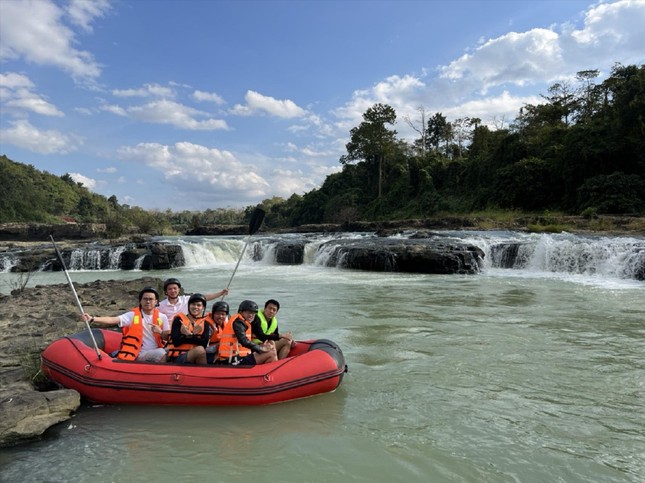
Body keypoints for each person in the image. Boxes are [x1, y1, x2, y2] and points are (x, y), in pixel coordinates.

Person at [82, 287, 169, 362]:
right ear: (140, 301)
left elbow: (167, 337)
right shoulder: (132, 315)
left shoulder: (162, 317)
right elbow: (114, 319)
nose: (148, 302)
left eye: (151, 299)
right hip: (140, 353)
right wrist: (93, 319)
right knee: (162, 353)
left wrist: (160, 332)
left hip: (157, 349)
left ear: (156, 301)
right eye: (145, 299)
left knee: (170, 350)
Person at [216, 300, 277, 366]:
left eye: (253, 313)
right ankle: (272, 373)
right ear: (241, 312)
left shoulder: (244, 322)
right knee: (271, 354)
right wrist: (260, 348)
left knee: (271, 350)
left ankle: (266, 374)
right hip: (231, 360)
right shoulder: (238, 323)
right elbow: (243, 341)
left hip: (239, 357)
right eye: (248, 312)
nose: (251, 315)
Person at [158, 277, 229, 323]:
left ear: (179, 289)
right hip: (170, 331)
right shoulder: (161, 305)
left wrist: (220, 293)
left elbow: (203, 297)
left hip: (188, 327)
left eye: (175, 288)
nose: (173, 291)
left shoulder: (186, 299)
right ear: (166, 291)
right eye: (170, 289)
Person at [166, 293, 210, 364]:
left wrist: (189, 336)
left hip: (195, 356)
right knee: (200, 350)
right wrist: (190, 336)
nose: (195, 307)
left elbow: (204, 343)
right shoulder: (179, 320)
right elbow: (176, 342)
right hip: (178, 357)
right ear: (189, 306)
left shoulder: (205, 323)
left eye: (199, 305)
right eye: (193, 304)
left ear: (203, 308)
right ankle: (204, 374)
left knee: (201, 350)